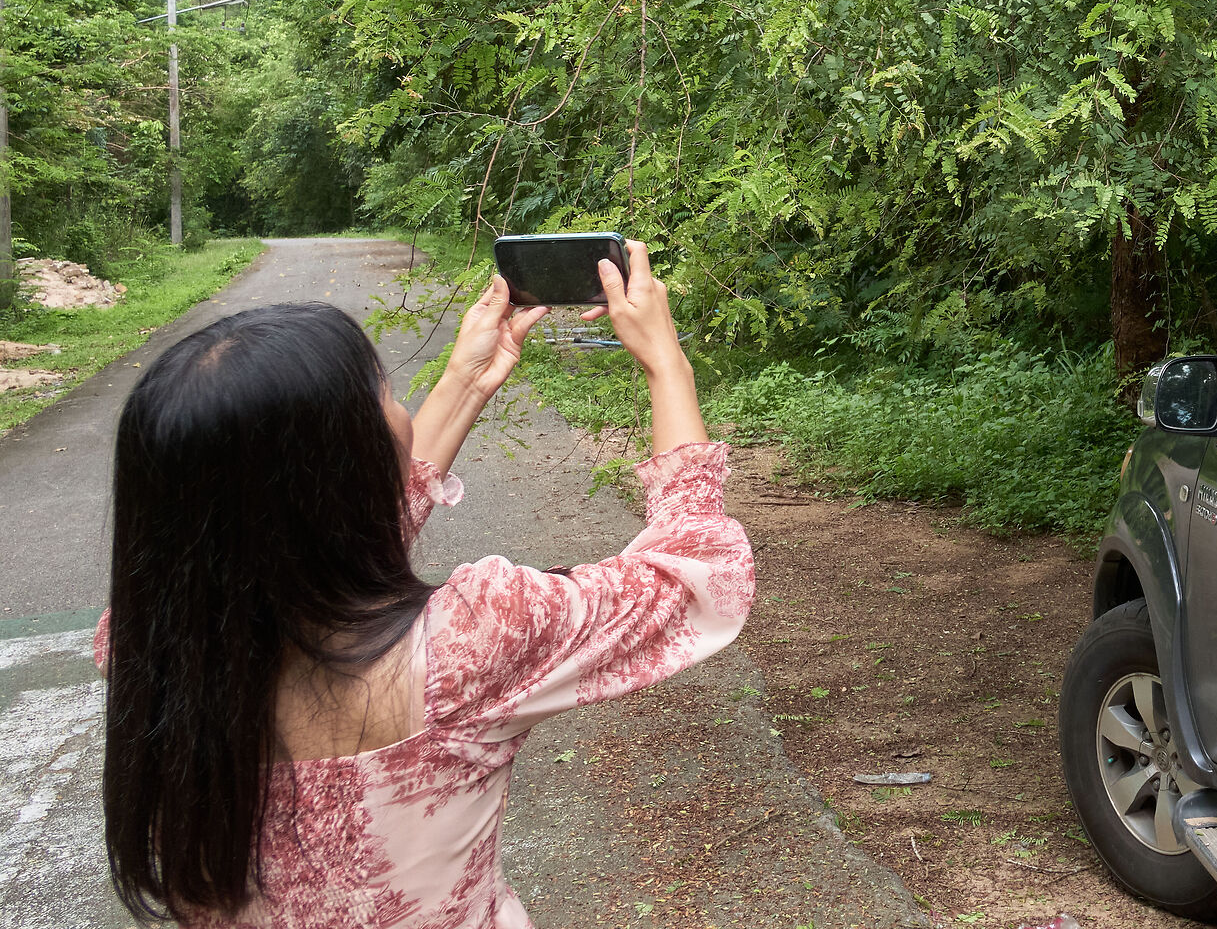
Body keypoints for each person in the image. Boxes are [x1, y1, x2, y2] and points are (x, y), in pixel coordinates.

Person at [96, 240, 752, 927]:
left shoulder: (151, 642)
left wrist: (467, 380)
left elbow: (308, 549)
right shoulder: (470, 640)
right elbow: (694, 576)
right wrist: (667, 363)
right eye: (383, 390)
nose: (399, 406)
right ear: (350, 460)